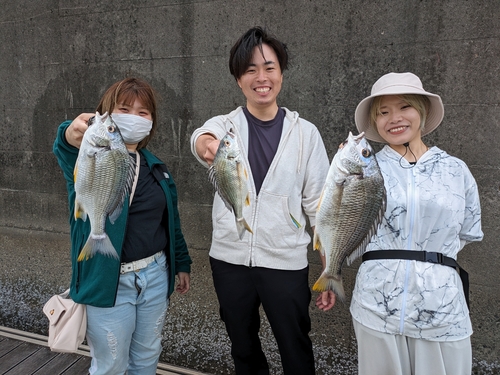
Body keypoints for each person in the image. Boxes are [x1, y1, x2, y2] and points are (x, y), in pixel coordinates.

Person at [190, 27, 335, 374]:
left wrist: (331, 268)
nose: (261, 77)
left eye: (269, 67)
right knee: (242, 343)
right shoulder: (226, 126)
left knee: (295, 342)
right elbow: (201, 137)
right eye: (250, 70)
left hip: (285, 262)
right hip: (229, 260)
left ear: (281, 73)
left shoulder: (306, 134)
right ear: (239, 80)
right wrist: (206, 145)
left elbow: (319, 206)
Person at [53, 77, 192, 375]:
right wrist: (69, 133)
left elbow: (172, 223)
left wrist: (182, 263)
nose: (134, 117)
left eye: (143, 112)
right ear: (107, 113)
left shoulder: (158, 168)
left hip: (155, 276)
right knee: (111, 365)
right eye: (124, 108)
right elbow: (66, 146)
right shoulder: (88, 154)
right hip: (109, 283)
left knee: (146, 358)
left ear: (152, 122)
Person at [349, 72, 483, 375]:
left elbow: (466, 232)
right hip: (376, 303)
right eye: (383, 112)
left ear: (421, 112)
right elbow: (348, 227)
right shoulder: (363, 169)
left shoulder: (455, 170)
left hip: (441, 306)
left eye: (404, 107)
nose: (394, 118)